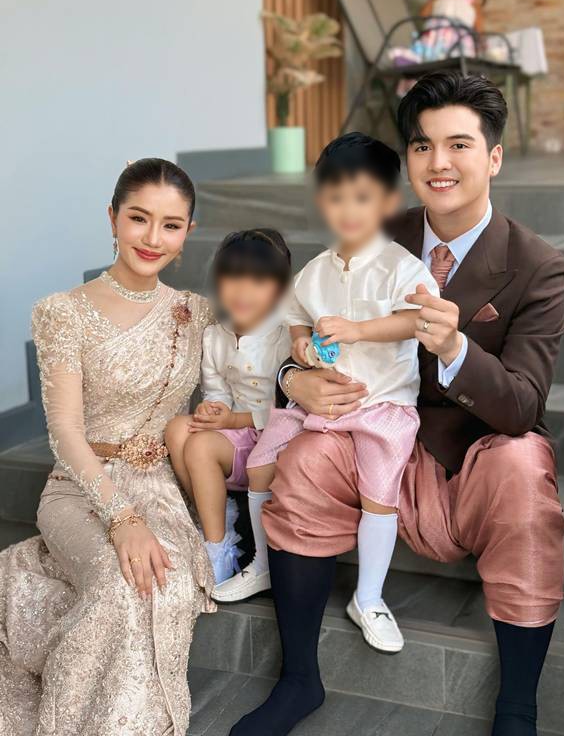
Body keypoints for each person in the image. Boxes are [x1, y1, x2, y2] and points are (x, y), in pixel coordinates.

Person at [229, 72, 564, 736]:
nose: (439, 162)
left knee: (525, 465)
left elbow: (523, 406)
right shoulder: (367, 232)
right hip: (369, 428)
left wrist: (456, 347)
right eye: (422, 145)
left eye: (459, 145)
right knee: (308, 453)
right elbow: (301, 325)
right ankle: (298, 679)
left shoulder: (537, 265)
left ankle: (517, 708)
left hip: (472, 452)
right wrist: (295, 379)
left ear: (494, 157)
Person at [0, 158, 217, 736]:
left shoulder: (194, 312)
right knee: (118, 586)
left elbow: (252, 366)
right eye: (138, 218)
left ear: (188, 232)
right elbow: (64, 432)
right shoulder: (63, 311)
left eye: (171, 225)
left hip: (160, 488)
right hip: (79, 486)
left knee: (162, 585)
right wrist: (121, 518)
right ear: (112, 218)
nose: (153, 238)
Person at [217, 134, 438, 656]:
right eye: (336, 198)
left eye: (362, 198)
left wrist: (359, 331)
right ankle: (264, 564)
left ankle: (369, 595)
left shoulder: (402, 267)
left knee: (379, 492)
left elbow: (417, 320)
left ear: (388, 202)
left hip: (380, 404)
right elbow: (295, 316)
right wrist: (301, 345)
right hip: (316, 403)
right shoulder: (315, 271)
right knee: (262, 464)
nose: (348, 211)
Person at [165, 229, 292, 589]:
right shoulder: (215, 335)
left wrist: (233, 419)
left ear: (280, 289)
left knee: (200, 446)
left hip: (273, 439)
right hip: (235, 435)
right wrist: (214, 409)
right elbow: (217, 388)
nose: (243, 292)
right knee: (177, 429)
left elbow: (289, 404)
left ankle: (217, 548)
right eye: (233, 279)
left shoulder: (283, 335)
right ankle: (220, 517)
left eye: (258, 282)